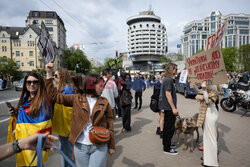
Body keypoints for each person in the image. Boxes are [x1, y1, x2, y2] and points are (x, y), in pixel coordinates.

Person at [45, 62, 115, 167]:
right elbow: (53, 96)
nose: (103, 88)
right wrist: (48, 73)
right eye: (100, 86)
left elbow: (110, 125)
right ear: (92, 85)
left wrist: (111, 145)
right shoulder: (77, 99)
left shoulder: (104, 102)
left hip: (99, 145)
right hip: (80, 147)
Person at [7, 72, 53, 166]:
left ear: (40, 84)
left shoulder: (44, 101)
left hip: (34, 145)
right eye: (29, 82)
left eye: (35, 82)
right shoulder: (25, 99)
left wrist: (48, 71)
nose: (32, 84)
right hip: (23, 142)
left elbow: (40, 125)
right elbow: (28, 119)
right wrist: (15, 113)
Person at [52, 68, 75, 167]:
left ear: (62, 76)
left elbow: (68, 109)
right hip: (63, 125)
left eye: (56, 75)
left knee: (68, 152)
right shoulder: (63, 87)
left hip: (66, 125)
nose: (54, 77)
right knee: (63, 150)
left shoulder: (67, 89)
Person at [195, 80, 219, 167]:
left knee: (211, 138)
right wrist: (195, 86)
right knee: (206, 137)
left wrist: (204, 89)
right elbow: (198, 95)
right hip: (206, 114)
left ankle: (212, 162)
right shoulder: (207, 86)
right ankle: (207, 158)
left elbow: (209, 101)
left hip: (211, 114)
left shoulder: (214, 88)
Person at [158, 63, 179, 155]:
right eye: (176, 69)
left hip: (167, 107)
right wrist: (174, 108)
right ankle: (167, 148)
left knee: (168, 127)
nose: (177, 71)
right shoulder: (168, 80)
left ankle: (167, 144)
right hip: (168, 107)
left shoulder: (167, 79)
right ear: (172, 69)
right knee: (169, 128)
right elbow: (168, 94)